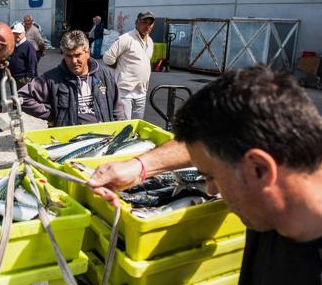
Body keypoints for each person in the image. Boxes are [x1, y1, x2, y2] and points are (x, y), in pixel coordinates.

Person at [88, 65, 322, 285]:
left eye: (211, 177)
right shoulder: (290, 157)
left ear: (259, 169)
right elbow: (203, 146)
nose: (210, 190)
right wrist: (140, 166)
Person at [18, 30, 124, 127]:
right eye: (69, 56)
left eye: (78, 55)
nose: (73, 61)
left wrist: (119, 127)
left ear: (88, 53)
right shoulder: (52, 78)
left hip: (103, 136)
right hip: (68, 138)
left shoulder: (105, 75)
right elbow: (21, 97)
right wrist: (51, 114)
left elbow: (117, 107)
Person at [103, 10, 155, 120]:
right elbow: (108, 58)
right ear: (136, 23)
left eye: (150, 23)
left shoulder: (150, 41)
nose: (147, 26)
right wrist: (118, 68)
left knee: (137, 125)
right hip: (125, 92)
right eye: (144, 22)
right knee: (125, 126)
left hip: (141, 92)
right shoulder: (126, 38)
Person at [9, 23, 38, 89]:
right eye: (15, 33)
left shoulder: (28, 46)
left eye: (19, 33)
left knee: (23, 98)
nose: (17, 35)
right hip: (14, 78)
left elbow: (32, 63)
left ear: (23, 33)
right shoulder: (14, 45)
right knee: (14, 97)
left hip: (23, 79)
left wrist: (28, 78)